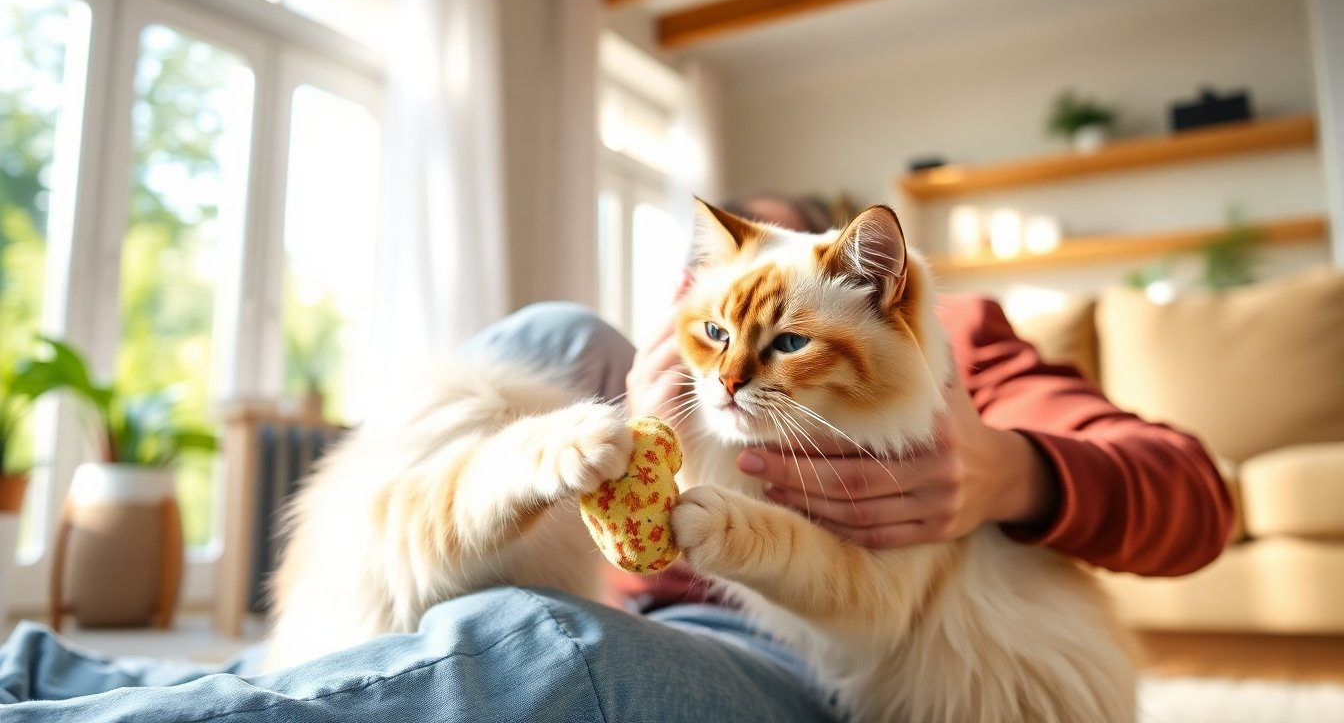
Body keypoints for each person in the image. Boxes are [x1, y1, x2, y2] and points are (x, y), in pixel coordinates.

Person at [0, 195, 1232, 722]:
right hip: (589, 561)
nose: (732, 368)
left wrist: (1011, 471)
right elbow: (686, 363)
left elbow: (1195, 494)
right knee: (550, 334)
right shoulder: (688, 358)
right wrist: (650, 396)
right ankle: (178, 661)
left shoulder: (962, 345)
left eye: (773, 324)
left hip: (784, 647)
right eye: (706, 316)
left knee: (537, 658)